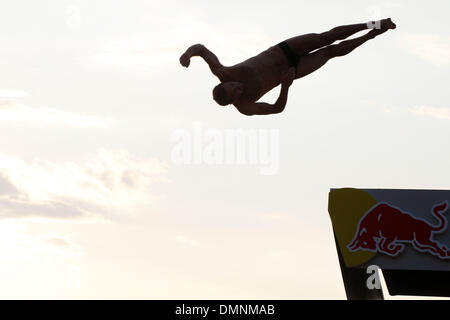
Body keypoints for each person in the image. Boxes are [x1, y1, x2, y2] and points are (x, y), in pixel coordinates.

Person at [179, 18, 396, 116]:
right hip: (292, 72)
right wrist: (285, 86)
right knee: (331, 53)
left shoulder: (223, 72)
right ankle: (371, 35)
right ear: (234, 100)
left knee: (327, 37)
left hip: (283, 50)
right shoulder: (245, 106)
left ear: (226, 82)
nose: (238, 88)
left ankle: (374, 23)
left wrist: (187, 54)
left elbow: (201, 48)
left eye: (233, 86)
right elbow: (276, 109)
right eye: (236, 92)